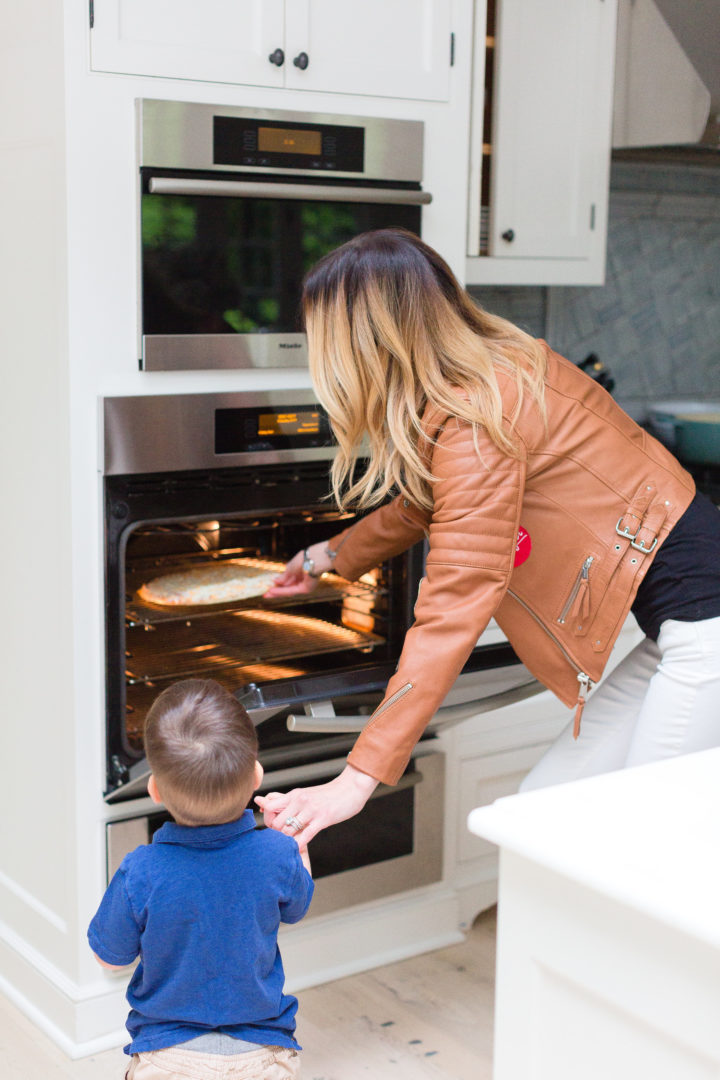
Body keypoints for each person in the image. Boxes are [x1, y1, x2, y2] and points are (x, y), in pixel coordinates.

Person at [256, 227, 720, 845]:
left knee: (640, 840)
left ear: (364, 341)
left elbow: (456, 598)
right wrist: (325, 557)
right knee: (542, 813)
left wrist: (358, 776)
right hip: (684, 627)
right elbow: (428, 504)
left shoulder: (480, 414)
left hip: (706, 634)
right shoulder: (495, 370)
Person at [88, 678, 313, 1080]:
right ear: (256, 775)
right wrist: (295, 843)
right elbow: (298, 906)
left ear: (154, 789)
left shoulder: (141, 871)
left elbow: (109, 957)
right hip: (262, 1052)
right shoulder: (276, 854)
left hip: (168, 1054)